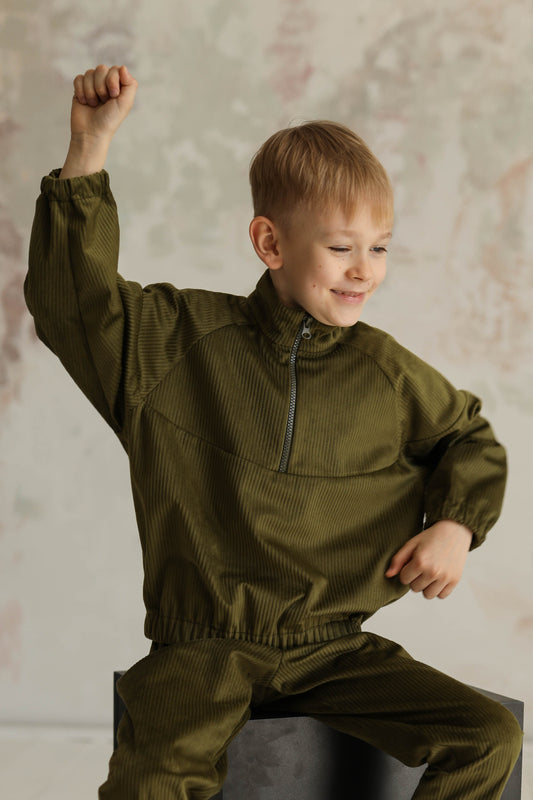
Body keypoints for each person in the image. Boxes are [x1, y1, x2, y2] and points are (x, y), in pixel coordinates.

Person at [25, 64, 522, 800]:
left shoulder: (386, 373)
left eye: (380, 247)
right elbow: (75, 303)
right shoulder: (176, 342)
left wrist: (455, 524)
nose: (364, 271)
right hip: (203, 650)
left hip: (334, 652)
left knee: (487, 737)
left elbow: (469, 437)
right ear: (270, 242)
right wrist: (88, 148)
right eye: (341, 247)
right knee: (152, 782)